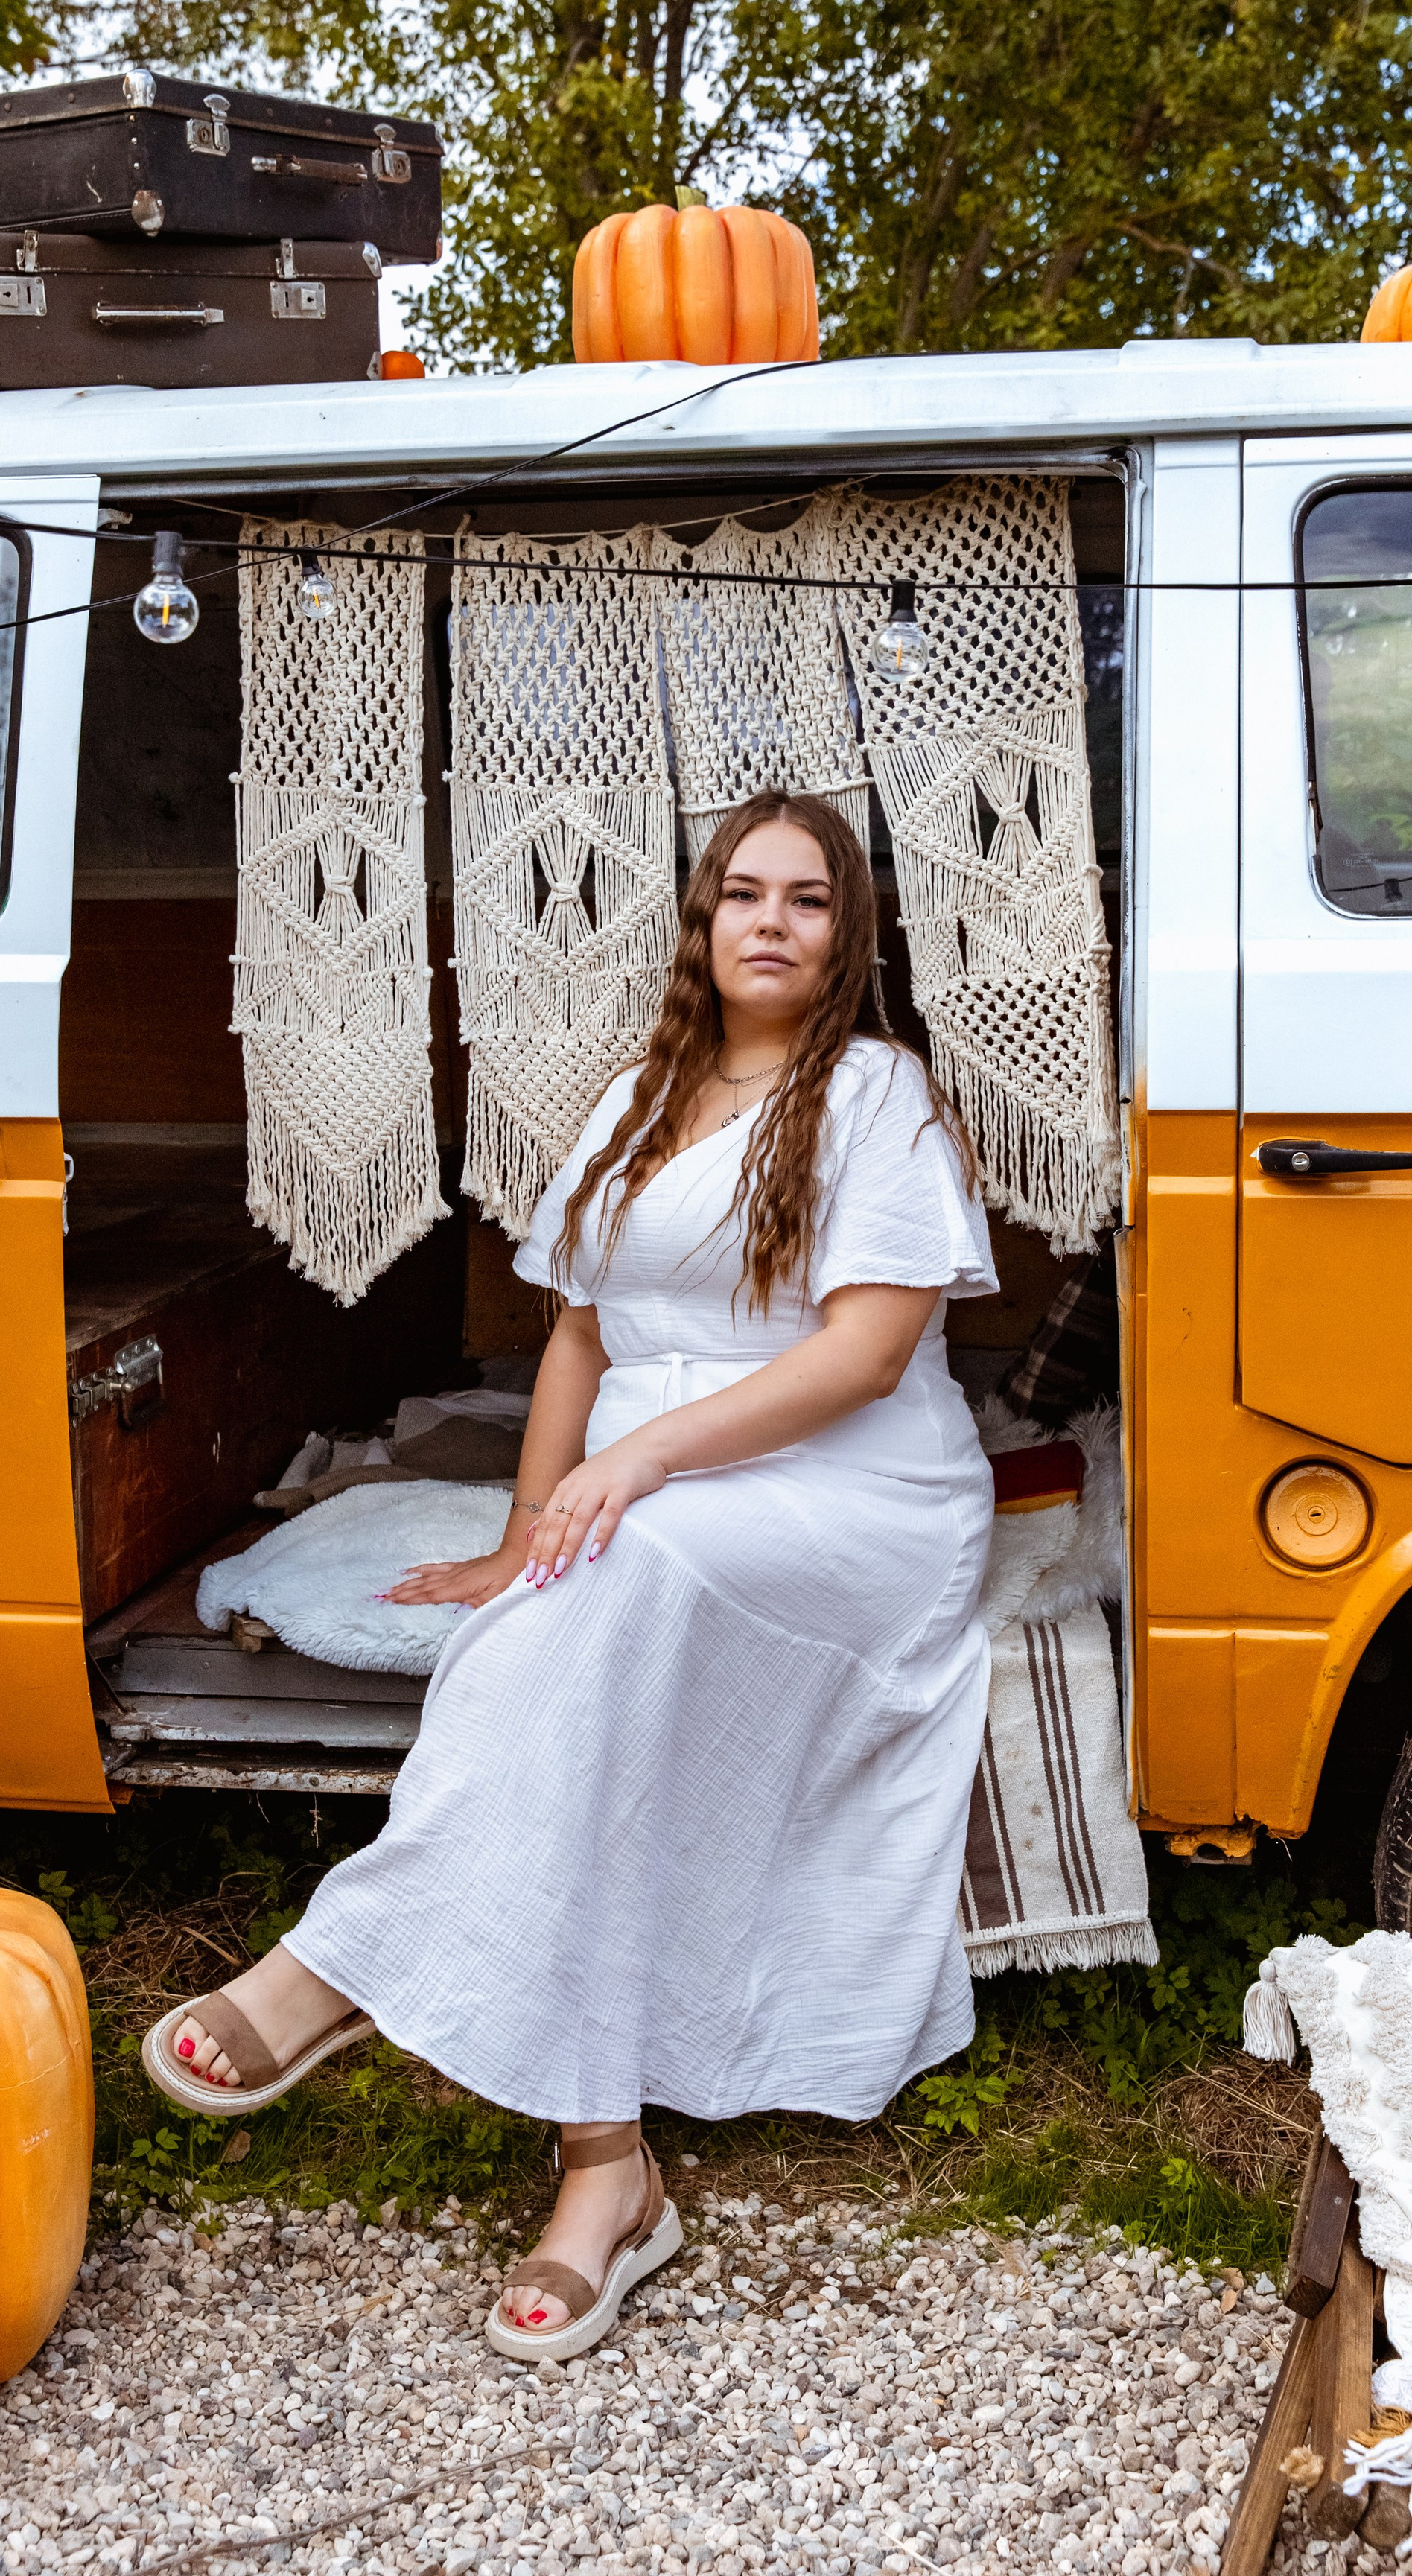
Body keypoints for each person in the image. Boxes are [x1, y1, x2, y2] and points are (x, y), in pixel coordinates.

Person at [143, 790, 1000, 2361]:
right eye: (739, 893)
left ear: (846, 934)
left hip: (842, 1494)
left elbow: (868, 1355)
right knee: (558, 1632)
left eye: (805, 901)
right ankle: (605, 2174)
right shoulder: (635, 1099)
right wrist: (518, 1535)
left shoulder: (881, 1096)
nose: (767, 922)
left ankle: (341, 1963)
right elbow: (578, 1342)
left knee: (620, 1568)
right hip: (645, 1500)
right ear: (699, 919)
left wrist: (639, 1470)